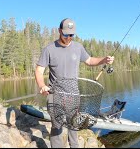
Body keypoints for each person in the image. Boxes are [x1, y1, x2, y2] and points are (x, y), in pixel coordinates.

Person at [35, 18, 114, 148]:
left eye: (71, 35)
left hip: (74, 95)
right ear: (60, 31)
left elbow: (89, 60)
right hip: (55, 95)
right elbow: (39, 70)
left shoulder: (78, 47)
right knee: (57, 126)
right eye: (66, 34)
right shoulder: (49, 49)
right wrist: (42, 85)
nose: (68, 37)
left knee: (73, 124)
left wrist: (104, 60)